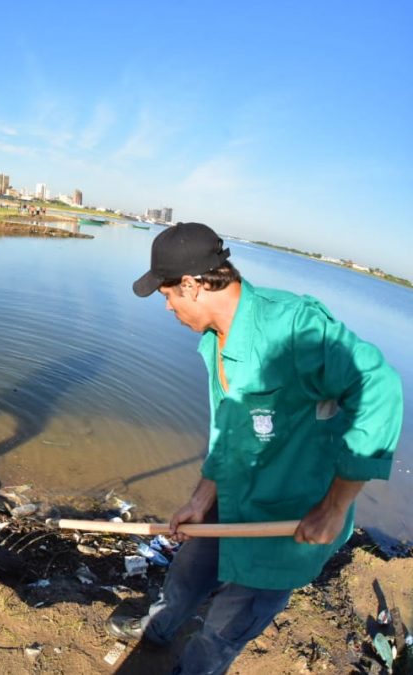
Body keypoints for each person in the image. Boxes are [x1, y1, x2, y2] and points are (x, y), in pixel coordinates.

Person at [108, 222, 403, 673]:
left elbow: (379, 386)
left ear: (191, 285)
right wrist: (201, 498)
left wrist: (335, 506)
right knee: (186, 575)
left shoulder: (292, 328)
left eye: (167, 295)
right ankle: (158, 630)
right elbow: (230, 430)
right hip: (232, 496)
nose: (167, 307)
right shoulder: (215, 341)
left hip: (288, 519)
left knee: (227, 626)